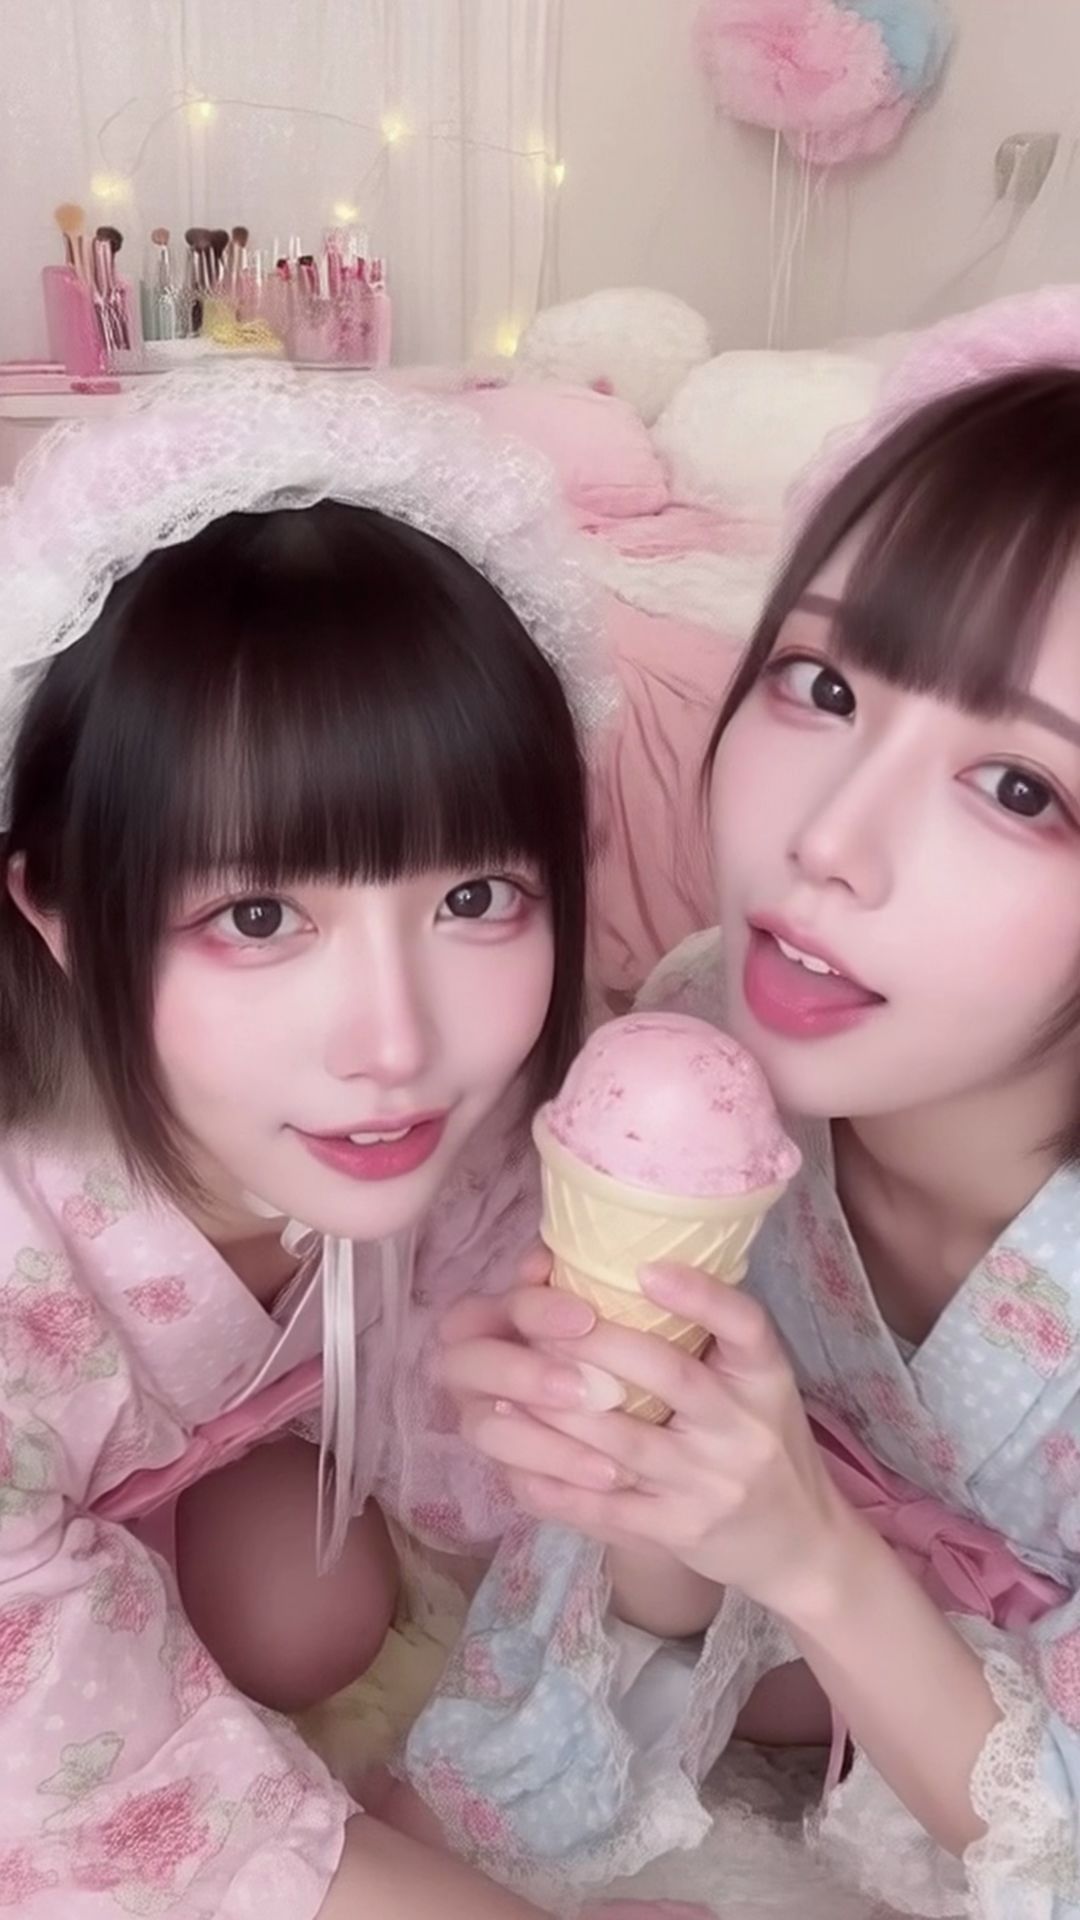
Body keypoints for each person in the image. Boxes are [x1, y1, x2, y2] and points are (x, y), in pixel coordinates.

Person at [421, 293, 1080, 1918]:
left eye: (1020, 786)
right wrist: (634, 1467)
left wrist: (813, 1556)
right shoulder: (701, 1039)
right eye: (821, 684)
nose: (828, 841)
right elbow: (665, 1606)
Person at [0, 361, 655, 1919]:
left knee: (314, 1609)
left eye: (475, 897)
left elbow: (509, 1483)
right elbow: (69, 1780)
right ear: (58, 912)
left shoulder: (483, 1129)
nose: (395, 1044)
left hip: (170, 1463)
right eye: (258, 917)